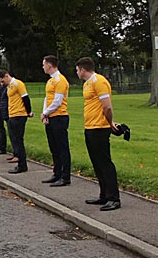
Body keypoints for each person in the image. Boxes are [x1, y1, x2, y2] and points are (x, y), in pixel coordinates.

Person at [76, 57, 121, 211]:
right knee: (96, 162)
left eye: (77, 69)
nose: (77, 72)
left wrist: (109, 123)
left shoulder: (99, 81)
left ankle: (114, 198)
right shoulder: (87, 84)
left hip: (100, 127)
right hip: (90, 127)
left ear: (82, 69)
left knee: (104, 162)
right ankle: (104, 194)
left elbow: (107, 107)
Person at [40, 56, 71, 186]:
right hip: (51, 117)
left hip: (59, 117)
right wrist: (45, 113)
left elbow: (57, 101)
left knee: (62, 147)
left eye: (44, 64)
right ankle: (57, 172)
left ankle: (65, 176)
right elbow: (48, 98)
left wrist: (46, 112)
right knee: (54, 147)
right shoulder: (50, 81)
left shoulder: (60, 80)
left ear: (50, 65)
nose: (43, 67)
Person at [0, 70, 32, 173]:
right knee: (15, 139)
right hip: (12, 114)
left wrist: (29, 111)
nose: (2, 83)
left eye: (2, 80)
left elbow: (25, 98)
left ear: (6, 76)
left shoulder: (18, 83)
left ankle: (22, 165)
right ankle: (20, 161)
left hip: (19, 114)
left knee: (18, 139)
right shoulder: (9, 86)